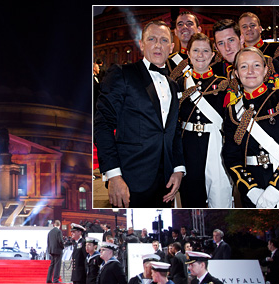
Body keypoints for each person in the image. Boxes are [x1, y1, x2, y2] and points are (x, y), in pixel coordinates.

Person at [95, 20, 185, 208]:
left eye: (163, 40)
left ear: (171, 47)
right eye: (151, 39)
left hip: (166, 182)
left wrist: (178, 169)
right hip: (130, 180)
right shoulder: (122, 74)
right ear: (142, 44)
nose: (158, 45)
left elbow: (174, 130)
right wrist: (113, 176)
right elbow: (102, 124)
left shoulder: (173, 84)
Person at [222, 47, 279, 208]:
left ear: (265, 70)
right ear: (236, 73)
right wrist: (250, 190)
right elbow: (231, 157)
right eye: (243, 66)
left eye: (256, 65)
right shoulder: (232, 111)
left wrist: (277, 188)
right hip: (254, 188)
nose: (250, 71)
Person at [176, 32, 233, 208]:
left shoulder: (224, 84)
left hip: (215, 144)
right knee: (191, 195)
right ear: (188, 54)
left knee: (219, 194)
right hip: (188, 145)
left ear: (213, 55)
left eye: (205, 51)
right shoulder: (178, 84)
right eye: (196, 50)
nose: (200, 55)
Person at [212, 19, 279, 92]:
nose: (227, 48)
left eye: (231, 40)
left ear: (241, 39)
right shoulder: (226, 75)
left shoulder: (269, 65)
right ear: (216, 48)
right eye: (221, 43)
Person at [168, 11, 201, 78]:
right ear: (176, 32)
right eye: (180, 24)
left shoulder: (213, 59)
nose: (184, 27)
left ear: (199, 30)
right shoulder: (169, 62)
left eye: (189, 23)